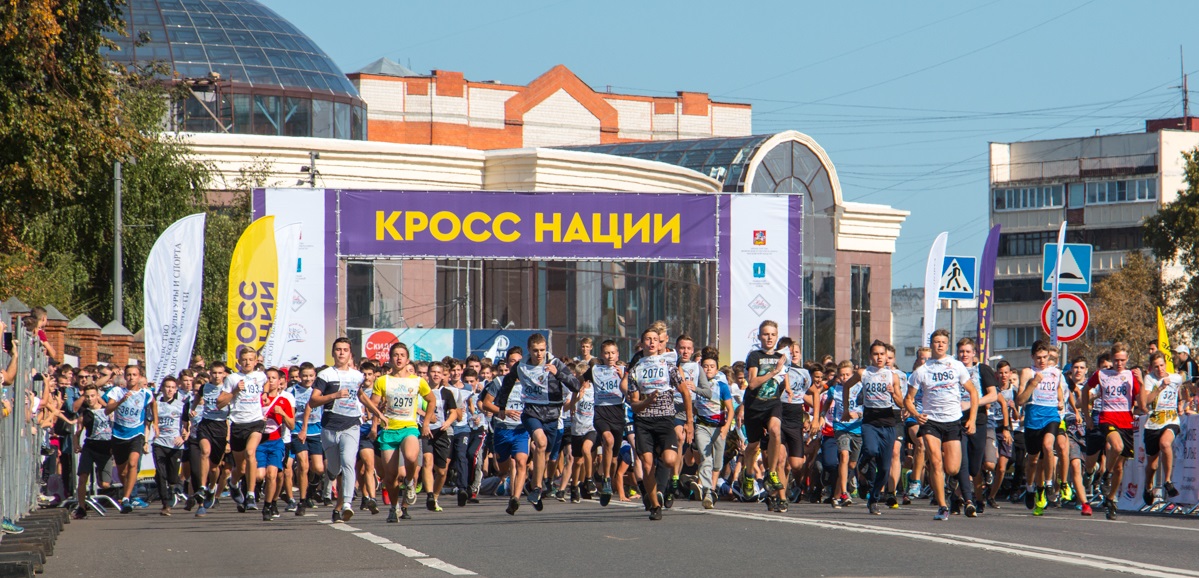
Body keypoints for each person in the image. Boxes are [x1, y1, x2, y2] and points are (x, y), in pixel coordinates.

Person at [494, 334, 579, 512]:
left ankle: (534, 487)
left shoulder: (555, 363)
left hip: (552, 415)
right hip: (531, 412)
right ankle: (538, 487)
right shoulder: (521, 365)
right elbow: (507, 383)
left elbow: (576, 385)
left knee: (545, 455)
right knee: (541, 442)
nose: (539, 354)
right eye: (535, 350)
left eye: (542, 350)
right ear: (529, 350)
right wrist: (501, 405)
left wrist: (558, 374)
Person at [308, 338, 384, 523]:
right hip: (330, 427)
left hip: (351, 424)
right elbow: (313, 401)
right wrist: (334, 395)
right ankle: (331, 473)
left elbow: (361, 396)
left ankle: (347, 505)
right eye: (338, 349)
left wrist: (378, 414)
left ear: (350, 354)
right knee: (334, 468)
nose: (341, 353)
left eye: (345, 350)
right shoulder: (326, 375)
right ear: (333, 353)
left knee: (348, 462)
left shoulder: (357, 376)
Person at [905, 329, 977, 521]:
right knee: (936, 461)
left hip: (953, 421)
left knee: (952, 469)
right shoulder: (922, 371)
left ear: (947, 344)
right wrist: (916, 414)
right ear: (931, 344)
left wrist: (971, 419)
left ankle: (947, 484)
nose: (940, 345)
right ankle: (942, 506)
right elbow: (908, 399)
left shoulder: (957, 366)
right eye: (936, 342)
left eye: (943, 342)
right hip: (931, 422)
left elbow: (973, 392)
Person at [625, 328, 691, 520]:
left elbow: (685, 392)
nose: (652, 342)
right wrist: (647, 401)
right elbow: (634, 404)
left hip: (665, 419)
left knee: (669, 460)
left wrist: (689, 422)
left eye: (655, 339)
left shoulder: (668, 366)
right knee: (647, 466)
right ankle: (655, 505)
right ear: (642, 343)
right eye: (648, 339)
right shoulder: (635, 370)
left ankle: (667, 484)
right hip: (644, 422)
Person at [371, 342, 437, 523]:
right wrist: (378, 414)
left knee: (410, 456)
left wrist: (425, 424)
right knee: (390, 476)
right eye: (395, 355)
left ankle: (409, 482)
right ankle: (394, 508)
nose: (399, 358)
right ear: (390, 359)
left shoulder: (417, 381)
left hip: (409, 427)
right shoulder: (382, 381)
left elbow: (431, 400)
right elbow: (373, 404)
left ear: (407, 359)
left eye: (402, 355)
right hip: (389, 430)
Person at [1082, 342, 1142, 520]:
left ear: (1127, 359)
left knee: (1119, 467)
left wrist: (1141, 382)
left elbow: (1142, 401)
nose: (1119, 364)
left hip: (1126, 421)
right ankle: (1106, 475)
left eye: (1122, 360)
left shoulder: (1130, 375)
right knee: (1116, 446)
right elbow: (1085, 390)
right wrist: (1086, 415)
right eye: (1116, 360)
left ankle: (1110, 499)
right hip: (1107, 418)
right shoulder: (1102, 374)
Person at [1015, 341, 1066, 516]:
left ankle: (1049, 484)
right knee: (1033, 460)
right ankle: (1030, 488)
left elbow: (1058, 389)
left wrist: (1061, 401)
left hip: (1051, 415)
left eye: (1045, 357)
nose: (1042, 361)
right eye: (1038, 358)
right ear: (1032, 357)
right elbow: (1020, 400)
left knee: (1048, 446)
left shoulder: (1055, 372)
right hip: (1033, 418)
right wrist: (1033, 384)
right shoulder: (1027, 372)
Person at [739, 320, 788, 503]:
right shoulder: (754, 356)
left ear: (777, 336)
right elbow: (752, 383)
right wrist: (774, 372)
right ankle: (748, 475)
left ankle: (772, 472)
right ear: (759, 336)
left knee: (775, 431)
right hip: (754, 405)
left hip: (773, 404)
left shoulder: (781, 357)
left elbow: (783, 382)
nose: (769, 338)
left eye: (773, 334)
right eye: (766, 334)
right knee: (753, 446)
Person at [216, 348, 268, 513]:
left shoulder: (260, 376)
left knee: (250, 453)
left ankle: (251, 495)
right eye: (244, 359)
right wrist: (235, 391)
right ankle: (232, 483)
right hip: (238, 424)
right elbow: (220, 403)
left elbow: (266, 383)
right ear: (239, 361)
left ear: (255, 361)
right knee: (241, 468)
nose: (247, 362)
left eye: (250, 359)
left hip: (256, 422)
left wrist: (265, 394)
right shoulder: (232, 379)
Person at [855, 340, 904, 515]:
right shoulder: (863, 373)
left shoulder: (893, 376)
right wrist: (846, 409)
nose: (879, 357)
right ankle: (861, 465)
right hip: (870, 421)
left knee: (884, 468)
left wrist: (893, 393)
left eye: (882, 354)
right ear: (870, 356)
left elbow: (901, 402)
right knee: (871, 449)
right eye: (875, 354)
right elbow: (846, 386)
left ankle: (874, 499)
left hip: (888, 423)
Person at [481, 347, 530, 515]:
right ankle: (506, 477)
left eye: (518, 361)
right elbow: (486, 404)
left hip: (521, 430)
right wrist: (504, 411)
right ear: (507, 364)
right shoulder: (499, 382)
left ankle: (515, 498)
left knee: (521, 462)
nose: (515, 364)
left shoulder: (528, 382)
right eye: (512, 361)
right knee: (504, 468)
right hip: (502, 430)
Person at [953, 338, 999, 515]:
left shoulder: (982, 369)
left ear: (974, 353)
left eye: (967, 351)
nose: (964, 355)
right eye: (961, 351)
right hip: (956, 420)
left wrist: (972, 403)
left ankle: (964, 495)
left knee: (974, 466)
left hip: (979, 420)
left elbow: (993, 395)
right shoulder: (953, 369)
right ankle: (966, 499)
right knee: (961, 462)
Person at [103, 366, 156, 514]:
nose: (131, 377)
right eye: (129, 375)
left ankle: (126, 498)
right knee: (123, 472)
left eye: (134, 375)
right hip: (119, 434)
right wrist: (120, 401)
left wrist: (156, 423)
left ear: (139, 377)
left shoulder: (146, 393)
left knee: (133, 463)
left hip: (136, 433)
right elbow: (107, 410)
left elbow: (154, 403)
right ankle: (128, 492)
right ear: (125, 377)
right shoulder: (117, 391)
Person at [691, 347, 733, 509]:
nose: (708, 369)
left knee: (717, 463)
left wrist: (726, 427)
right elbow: (692, 405)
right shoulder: (696, 385)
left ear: (716, 369)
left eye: (712, 366)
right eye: (705, 366)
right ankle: (707, 491)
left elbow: (730, 410)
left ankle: (712, 490)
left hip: (719, 428)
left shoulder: (722, 386)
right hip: (702, 426)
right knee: (705, 457)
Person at [586, 340, 626, 507]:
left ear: (618, 354)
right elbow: (577, 381)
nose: (610, 356)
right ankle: (607, 479)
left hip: (617, 413)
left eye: (613, 353)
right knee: (607, 440)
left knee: (614, 459)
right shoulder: (595, 370)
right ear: (602, 355)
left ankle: (607, 478)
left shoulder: (624, 370)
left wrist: (623, 378)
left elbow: (632, 391)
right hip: (601, 412)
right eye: (607, 353)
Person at [1140, 351, 1182, 506]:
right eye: (1156, 366)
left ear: (1166, 364)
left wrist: (1181, 403)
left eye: (1162, 365)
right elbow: (1146, 401)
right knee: (1152, 466)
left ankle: (1168, 481)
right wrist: (1159, 388)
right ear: (1152, 367)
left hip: (1171, 419)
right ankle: (1148, 487)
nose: (1160, 369)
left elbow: (1181, 385)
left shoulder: (1175, 378)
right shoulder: (1149, 379)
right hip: (1153, 423)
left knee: (1165, 443)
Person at [774, 338, 809, 513]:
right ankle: (781, 498)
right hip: (779, 413)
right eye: (790, 352)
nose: (793, 354)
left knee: (795, 464)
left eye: (796, 352)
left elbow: (810, 393)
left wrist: (816, 417)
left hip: (795, 417)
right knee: (780, 460)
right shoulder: (777, 371)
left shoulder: (804, 373)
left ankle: (796, 483)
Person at [421, 361, 461, 512]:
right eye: (433, 372)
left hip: (441, 431)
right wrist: (425, 415)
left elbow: (454, 412)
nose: (436, 375)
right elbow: (415, 407)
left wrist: (448, 422)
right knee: (427, 460)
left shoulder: (447, 393)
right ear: (428, 374)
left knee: (442, 471)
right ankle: (430, 495)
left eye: (439, 372)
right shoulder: (422, 390)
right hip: (424, 430)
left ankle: (436, 496)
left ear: (443, 375)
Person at [257, 368, 295, 521]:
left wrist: (283, 413)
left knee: (272, 475)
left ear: (280, 381)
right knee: (260, 476)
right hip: (259, 442)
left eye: (274, 378)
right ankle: (254, 492)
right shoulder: (258, 399)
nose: (270, 381)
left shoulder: (284, 401)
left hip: (276, 442)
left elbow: (292, 425)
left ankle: (268, 505)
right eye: (268, 378)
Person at [285, 362, 322, 516]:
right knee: (303, 464)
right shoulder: (291, 391)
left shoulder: (318, 390)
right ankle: (302, 500)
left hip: (316, 431)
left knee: (319, 468)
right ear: (299, 376)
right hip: (298, 431)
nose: (308, 379)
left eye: (311, 376)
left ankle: (311, 490)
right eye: (305, 376)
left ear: (315, 376)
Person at [72, 384, 112, 519]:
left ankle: (100, 473)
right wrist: (76, 444)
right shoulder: (84, 414)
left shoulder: (107, 411)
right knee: (82, 477)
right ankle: (81, 508)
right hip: (90, 447)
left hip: (105, 448)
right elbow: (77, 432)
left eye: (92, 396)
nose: (90, 399)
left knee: (105, 484)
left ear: (97, 396)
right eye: (87, 396)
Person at [152, 376, 189, 516]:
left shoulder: (181, 405)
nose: (170, 390)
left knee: (172, 478)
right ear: (162, 388)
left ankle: (175, 488)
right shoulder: (155, 404)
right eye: (167, 387)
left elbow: (187, 425)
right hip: (159, 443)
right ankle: (165, 505)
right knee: (161, 474)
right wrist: (147, 440)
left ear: (176, 390)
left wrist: (183, 436)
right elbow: (149, 422)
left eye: (173, 387)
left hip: (175, 445)